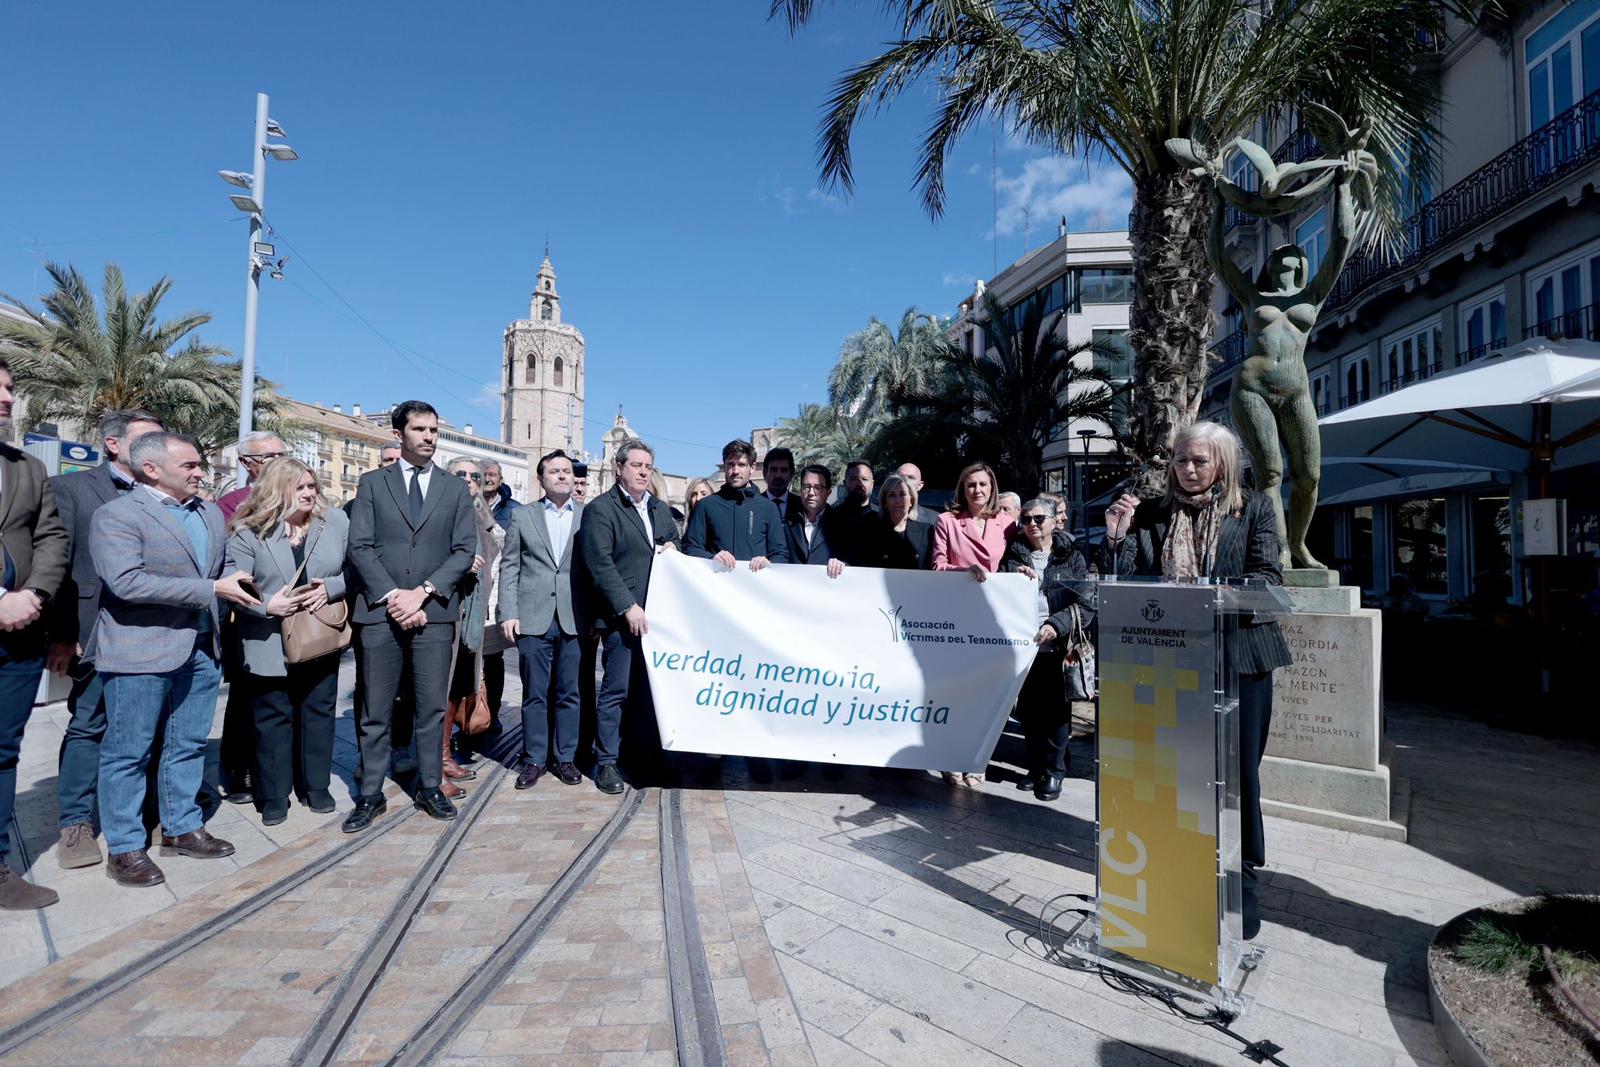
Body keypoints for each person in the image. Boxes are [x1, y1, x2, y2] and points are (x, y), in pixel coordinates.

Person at [1102, 420, 1292, 941]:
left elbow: (1268, 579)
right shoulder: (1154, 513)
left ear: (1223, 465)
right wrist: (1116, 539)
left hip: (1240, 658)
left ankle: (1241, 877)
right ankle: (1179, 862)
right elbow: (1129, 578)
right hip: (1171, 661)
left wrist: (1214, 595)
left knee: (1239, 769)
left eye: (1199, 461)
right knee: (1178, 768)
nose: (1187, 470)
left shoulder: (1251, 509)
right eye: (1181, 460)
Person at [89, 431, 260, 887]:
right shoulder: (117, 516)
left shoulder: (207, 512)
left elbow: (218, 567)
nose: (201, 472)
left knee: (188, 743)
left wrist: (234, 579)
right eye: (189, 466)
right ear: (151, 469)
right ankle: (125, 847)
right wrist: (210, 590)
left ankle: (181, 826)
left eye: (199, 465)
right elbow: (127, 583)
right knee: (129, 751)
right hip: (139, 650)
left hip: (203, 649)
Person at [344, 400, 477, 832]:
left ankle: (430, 786)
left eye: (434, 430)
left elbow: (464, 551)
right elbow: (360, 546)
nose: (429, 437)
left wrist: (421, 594)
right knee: (375, 709)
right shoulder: (372, 484)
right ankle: (369, 794)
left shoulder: (454, 489)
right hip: (380, 614)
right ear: (398, 434)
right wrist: (392, 596)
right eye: (420, 429)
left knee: (431, 707)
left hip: (434, 613)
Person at [46, 409, 165, 872]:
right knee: (89, 724)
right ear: (114, 444)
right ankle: (75, 824)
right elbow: (58, 566)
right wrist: (60, 636)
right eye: (148, 437)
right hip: (94, 631)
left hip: (154, 633)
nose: (159, 446)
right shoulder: (73, 489)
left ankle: (143, 814)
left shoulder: (162, 495)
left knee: (148, 727)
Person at [225, 459, 349, 825]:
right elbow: (236, 585)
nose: (309, 493)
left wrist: (333, 587)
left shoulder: (335, 523)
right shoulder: (248, 531)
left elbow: (354, 568)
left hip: (318, 635)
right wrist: (267, 605)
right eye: (300, 487)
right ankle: (274, 793)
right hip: (266, 637)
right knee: (272, 717)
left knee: (318, 711)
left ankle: (316, 785)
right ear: (277, 490)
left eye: (312, 486)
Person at [0, 360, 69, 909]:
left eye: (10, 388)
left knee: (3, 752)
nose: (8, 397)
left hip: (20, 632)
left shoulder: (27, 468)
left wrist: (34, 596)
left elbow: (50, 537)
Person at [575, 437, 681, 792]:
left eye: (647, 467)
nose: (642, 472)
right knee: (615, 691)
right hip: (623, 618)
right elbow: (599, 563)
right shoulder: (600, 510)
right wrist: (627, 606)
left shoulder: (659, 509)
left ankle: (641, 755)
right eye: (636, 465)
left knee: (649, 691)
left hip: (658, 618)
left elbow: (674, 545)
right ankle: (606, 761)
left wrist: (672, 547)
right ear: (619, 468)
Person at [500, 449, 584, 789]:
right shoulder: (523, 516)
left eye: (567, 471)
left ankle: (565, 758)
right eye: (555, 471)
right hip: (533, 618)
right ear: (541, 479)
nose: (562, 476)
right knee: (535, 693)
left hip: (574, 618)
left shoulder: (587, 516)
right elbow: (510, 567)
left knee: (570, 693)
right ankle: (533, 759)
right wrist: (508, 613)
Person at [213, 431, 288, 805]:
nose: (278, 459)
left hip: (296, 614)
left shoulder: (301, 496)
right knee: (246, 696)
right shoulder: (231, 504)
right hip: (249, 613)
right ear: (247, 463)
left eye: (282, 453)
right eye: (270, 455)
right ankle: (238, 767)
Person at [1000, 499, 1092, 802]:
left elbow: (1087, 602)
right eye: (1026, 519)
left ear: (1054, 521)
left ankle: (1054, 771)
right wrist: (1014, 578)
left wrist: (1056, 624)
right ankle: (1035, 766)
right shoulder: (1012, 555)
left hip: (1057, 645)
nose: (1033, 523)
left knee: (1055, 712)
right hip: (1024, 647)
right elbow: (1000, 594)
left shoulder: (1073, 556)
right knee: (1028, 711)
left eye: (1040, 518)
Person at [932, 462, 1014, 787]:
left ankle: (978, 759)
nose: (977, 490)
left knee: (986, 693)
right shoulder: (947, 522)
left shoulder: (1007, 524)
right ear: (961, 489)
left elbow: (1014, 562)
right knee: (957, 691)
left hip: (992, 620)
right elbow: (937, 565)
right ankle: (952, 756)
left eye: (983, 484)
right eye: (971, 485)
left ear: (992, 487)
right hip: (956, 617)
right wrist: (961, 572)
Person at [441, 458, 504, 795]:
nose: (468, 480)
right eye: (460, 474)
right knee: (437, 690)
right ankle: (433, 761)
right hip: (444, 611)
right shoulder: (437, 510)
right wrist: (458, 564)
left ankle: (445, 754)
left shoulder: (480, 514)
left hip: (473, 614)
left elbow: (500, 544)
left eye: (474, 476)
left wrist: (481, 511)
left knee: (457, 688)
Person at [683, 440, 789, 570]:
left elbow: (781, 554)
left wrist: (767, 562)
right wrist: (711, 558)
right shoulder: (706, 506)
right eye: (731, 464)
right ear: (725, 466)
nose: (735, 471)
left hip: (754, 586)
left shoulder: (768, 508)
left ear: (753, 467)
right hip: (715, 586)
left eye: (741, 465)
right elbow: (690, 548)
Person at [786, 465, 846, 577]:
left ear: (828, 492)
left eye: (818, 488)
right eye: (806, 487)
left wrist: (842, 564)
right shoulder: (787, 522)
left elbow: (852, 559)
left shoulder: (842, 524)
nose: (811, 493)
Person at [829, 460, 885, 566]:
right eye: (854, 479)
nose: (860, 484)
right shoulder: (831, 518)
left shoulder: (883, 518)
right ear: (845, 484)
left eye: (865, 479)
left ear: (872, 484)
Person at [875, 473, 933, 570]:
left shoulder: (927, 531)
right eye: (892, 495)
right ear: (885, 502)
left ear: (912, 500)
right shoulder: (872, 531)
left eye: (902, 494)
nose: (897, 500)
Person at [761, 447, 801, 523]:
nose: (778, 475)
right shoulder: (754, 506)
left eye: (784, 470)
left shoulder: (802, 507)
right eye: (774, 470)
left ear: (791, 474)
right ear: (765, 473)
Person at [482, 460, 520, 530]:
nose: (487, 479)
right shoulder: (468, 505)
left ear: (500, 480)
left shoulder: (516, 509)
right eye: (483, 475)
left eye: (492, 475)